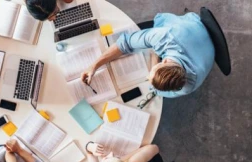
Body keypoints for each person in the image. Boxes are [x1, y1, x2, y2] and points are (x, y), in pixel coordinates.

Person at [81, 12, 215, 98]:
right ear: (165, 61)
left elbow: (157, 90)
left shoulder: (187, 86)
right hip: (191, 28)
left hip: (198, 34)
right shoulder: (164, 37)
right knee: (159, 20)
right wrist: (94, 66)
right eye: (151, 72)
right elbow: (124, 43)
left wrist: (153, 56)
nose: (147, 75)